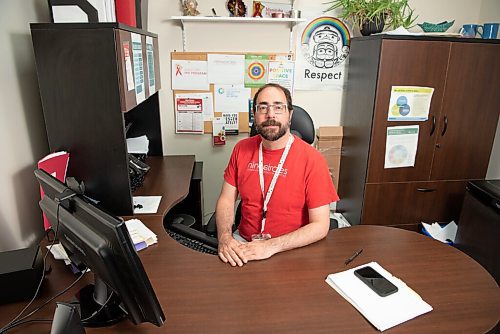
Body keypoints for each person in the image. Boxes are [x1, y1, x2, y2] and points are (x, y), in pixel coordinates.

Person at [215, 83, 339, 267]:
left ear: (290, 115)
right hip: (244, 244)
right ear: (255, 115)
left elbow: (321, 225)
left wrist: (270, 246)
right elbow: (226, 199)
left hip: (291, 249)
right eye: (263, 107)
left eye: (278, 107)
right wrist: (225, 238)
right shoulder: (241, 149)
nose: (270, 115)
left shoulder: (312, 159)